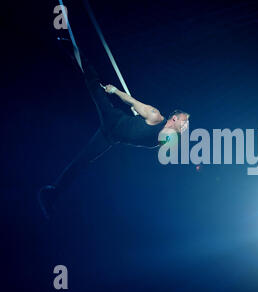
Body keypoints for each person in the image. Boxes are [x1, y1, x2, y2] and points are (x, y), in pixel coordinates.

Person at [38, 45, 189, 219]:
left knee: (82, 161)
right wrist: (115, 91)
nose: (186, 127)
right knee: (93, 85)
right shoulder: (154, 115)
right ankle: (74, 49)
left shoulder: (168, 139)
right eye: (185, 123)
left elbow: (164, 145)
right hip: (113, 119)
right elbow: (131, 101)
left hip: (110, 137)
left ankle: (52, 192)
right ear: (175, 119)